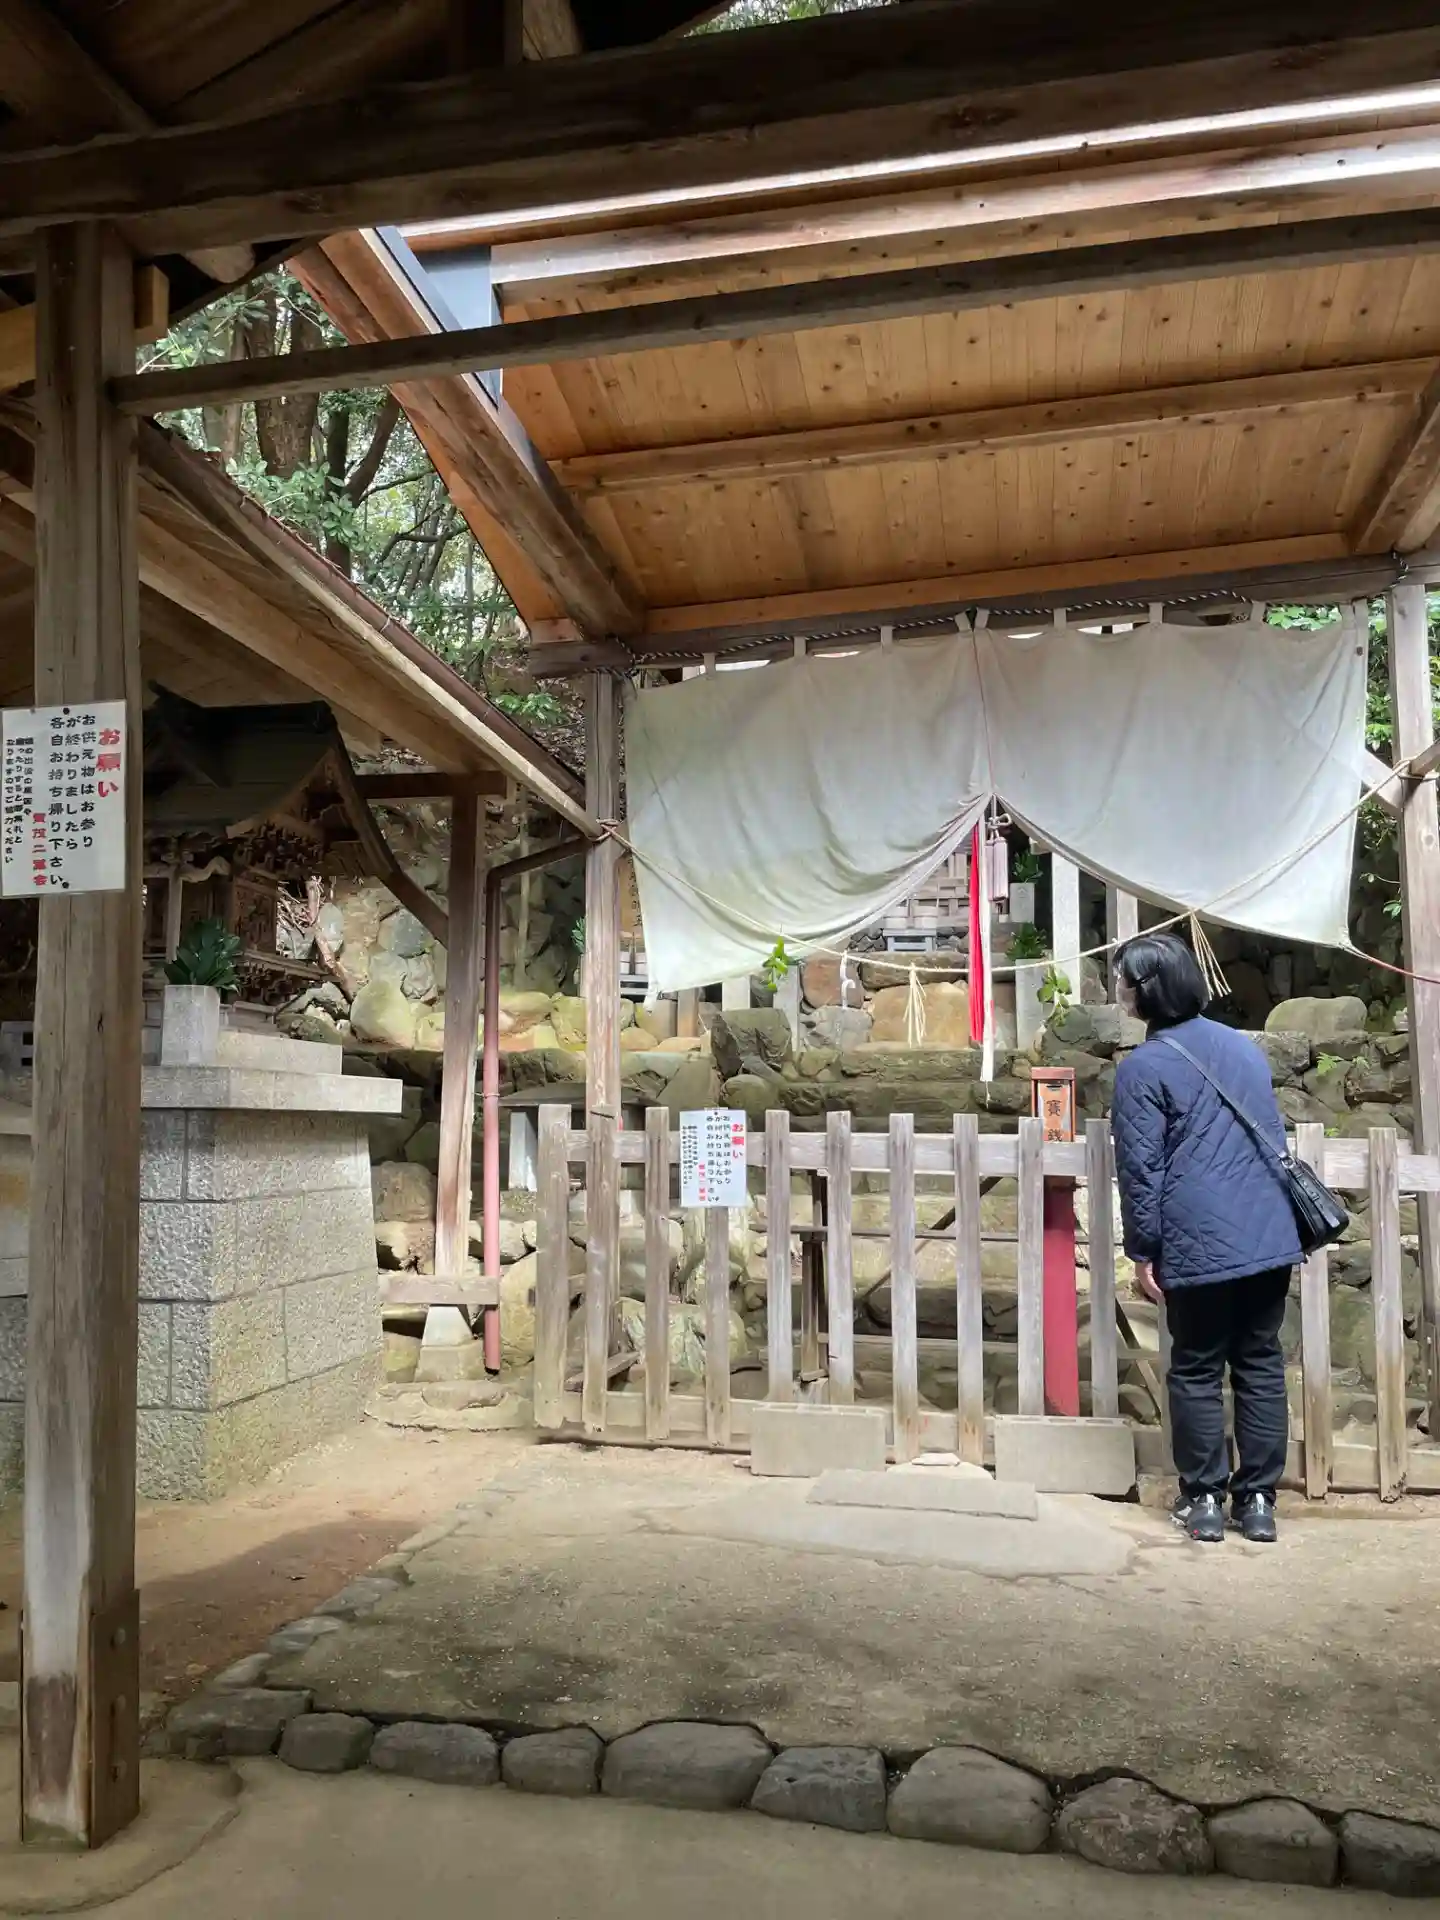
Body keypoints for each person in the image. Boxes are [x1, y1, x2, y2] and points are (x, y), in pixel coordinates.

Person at [1110, 932, 1301, 1544]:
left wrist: (1143, 1249)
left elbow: (1141, 1170)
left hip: (1198, 1239)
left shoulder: (1143, 1068)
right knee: (1259, 1362)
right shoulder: (1242, 1048)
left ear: (1146, 992)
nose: (1119, 992)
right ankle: (1260, 1502)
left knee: (1195, 1367)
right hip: (1268, 1230)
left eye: (1124, 982)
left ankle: (1204, 1500)